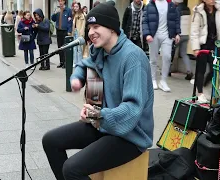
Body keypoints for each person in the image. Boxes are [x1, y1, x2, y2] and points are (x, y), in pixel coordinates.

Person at [42, 2, 154, 180]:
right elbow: (85, 64)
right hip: (104, 125)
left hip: (131, 136)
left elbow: (132, 110)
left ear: (112, 28)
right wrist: (77, 78)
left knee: (72, 168)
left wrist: (96, 116)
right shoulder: (100, 50)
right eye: (89, 27)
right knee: (50, 141)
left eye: (96, 26)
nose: (90, 32)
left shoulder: (133, 57)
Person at [190, 0, 220, 103]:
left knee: (213, 69)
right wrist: (195, 47)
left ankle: (203, 87)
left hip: (215, 44)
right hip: (203, 44)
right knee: (200, 70)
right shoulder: (199, 11)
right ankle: (200, 93)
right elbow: (194, 30)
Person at [142, 0, 181, 92]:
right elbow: (145, 20)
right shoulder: (150, 5)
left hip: (167, 35)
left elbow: (176, 19)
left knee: (167, 57)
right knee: (153, 59)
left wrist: (177, 33)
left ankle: (163, 81)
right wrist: (147, 34)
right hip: (153, 35)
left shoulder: (171, 5)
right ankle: (153, 80)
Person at [173, 0, 193, 80]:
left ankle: (168, 70)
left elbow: (176, 22)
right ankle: (189, 71)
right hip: (186, 35)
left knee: (172, 52)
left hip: (178, 35)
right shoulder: (188, 9)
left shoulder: (177, 9)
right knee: (184, 54)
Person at [51, 0, 73, 68]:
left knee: (65, 46)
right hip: (58, 30)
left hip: (65, 30)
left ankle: (66, 62)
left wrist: (69, 30)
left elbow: (70, 21)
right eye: (59, 1)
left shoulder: (68, 10)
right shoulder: (57, 9)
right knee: (60, 47)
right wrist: (54, 13)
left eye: (61, 1)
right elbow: (53, 19)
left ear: (64, 2)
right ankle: (61, 62)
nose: (60, 2)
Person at [72, 2, 86, 67]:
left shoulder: (82, 15)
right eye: (74, 6)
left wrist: (81, 34)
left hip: (79, 33)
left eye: (76, 6)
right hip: (75, 32)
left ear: (79, 7)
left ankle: (79, 62)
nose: (75, 8)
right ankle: (75, 62)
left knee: (79, 49)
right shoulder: (75, 14)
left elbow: (83, 26)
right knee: (75, 48)